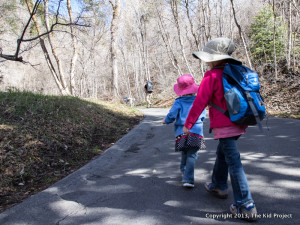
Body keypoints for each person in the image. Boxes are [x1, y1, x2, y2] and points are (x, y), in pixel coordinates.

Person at [183, 37, 258, 221]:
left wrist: (188, 124)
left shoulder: (212, 75)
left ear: (215, 58)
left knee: (234, 162)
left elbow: (200, 101)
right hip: (240, 120)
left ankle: (246, 205)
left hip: (224, 125)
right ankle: (219, 185)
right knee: (223, 153)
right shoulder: (237, 71)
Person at [163, 74, 206, 188]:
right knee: (192, 154)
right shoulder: (199, 100)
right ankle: (188, 178)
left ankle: (184, 172)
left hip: (181, 132)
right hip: (196, 132)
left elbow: (172, 115)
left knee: (185, 152)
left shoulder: (179, 102)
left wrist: (166, 121)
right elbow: (202, 116)